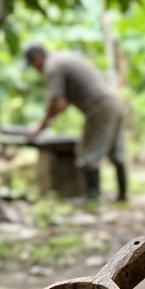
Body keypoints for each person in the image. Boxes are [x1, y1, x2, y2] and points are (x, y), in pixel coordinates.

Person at [25, 44, 128, 203]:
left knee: (89, 153)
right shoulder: (63, 59)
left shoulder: (53, 66)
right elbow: (63, 103)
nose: (35, 70)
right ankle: (122, 195)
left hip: (99, 107)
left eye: (33, 65)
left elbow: (57, 102)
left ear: (37, 57)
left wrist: (41, 126)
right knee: (116, 153)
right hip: (114, 102)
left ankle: (93, 198)